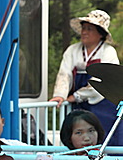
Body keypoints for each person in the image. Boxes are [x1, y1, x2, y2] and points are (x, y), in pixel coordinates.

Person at [49, 10, 122, 146]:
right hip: (78, 104)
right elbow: (64, 74)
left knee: (105, 138)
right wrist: (60, 95)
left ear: (100, 34)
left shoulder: (108, 52)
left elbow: (103, 81)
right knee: (77, 137)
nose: (84, 32)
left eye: (89, 29)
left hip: (103, 102)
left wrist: (76, 96)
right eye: (83, 28)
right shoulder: (72, 50)